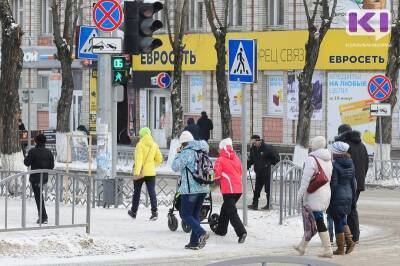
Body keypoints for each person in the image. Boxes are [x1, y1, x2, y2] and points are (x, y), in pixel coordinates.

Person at [294, 136, 333, 258]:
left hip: (314, 194)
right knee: (314, 220)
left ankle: (327, 249)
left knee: (316, 220)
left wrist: (299, 196)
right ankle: (302, 246)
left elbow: (305, 181)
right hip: (325, 192)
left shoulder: (312, 159)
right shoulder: (328, 159)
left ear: (315, 145)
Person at [172, 131, 210, 250]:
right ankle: (194, 243)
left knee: (185, 214)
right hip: (203, 188)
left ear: (183, 143)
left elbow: (175, 167)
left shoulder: (186, 153)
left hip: (190, 190)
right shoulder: (202, 150)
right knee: (194, 215)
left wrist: (178, 153)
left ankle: (201, 232)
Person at [335, 124, 369, 243]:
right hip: (358, 183)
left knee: (346, 210)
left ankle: (350, 237)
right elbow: (366, 165)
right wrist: (361, 179)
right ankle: (355, 236)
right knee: (352, 209)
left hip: (346, 183)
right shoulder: (362, 146)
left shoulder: (345, 146)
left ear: (342, 133)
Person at [213, 138, 247, 243]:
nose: (218, 151)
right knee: (225, 209)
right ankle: (221, 230)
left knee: (232, 212)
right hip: (238, 189)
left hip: (228, 190)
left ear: (222, 149)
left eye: (219, 149)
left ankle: (241, 232)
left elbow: (216, 175)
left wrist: (212, 179)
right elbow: (241, 171)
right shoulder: (236, 158)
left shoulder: (220, 160)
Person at [327, 141, 356, 255]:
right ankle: (349, 241)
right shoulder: (351, 163)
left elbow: (333, 184)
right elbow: (353, 183)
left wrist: (329, 197)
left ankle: (341, 248)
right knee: (342, 218)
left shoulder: (334, 165)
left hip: (337, 196)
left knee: (337, 220)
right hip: (348, 195)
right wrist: (353, 198)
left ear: (336, 153)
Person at [128, 127, 163, 221]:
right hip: (151, 172)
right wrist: (151, 165)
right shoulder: (154, 145)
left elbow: (138, 160)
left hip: (140, 172)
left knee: (137, 192)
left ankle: (133, 212)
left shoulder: (140, 144)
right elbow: (160, 160)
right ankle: (154, 212)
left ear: (142, 135)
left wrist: (136, 173)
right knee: (152, 192)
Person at [24, 134, 54, 224]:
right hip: (44, 177)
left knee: (38, 197)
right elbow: (51, 166)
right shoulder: (49, 152)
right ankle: (43, 216)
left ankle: (43, 217)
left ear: (36, 141)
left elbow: (27, 163)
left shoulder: (33, 151)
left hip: (35, 177)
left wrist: (27, 156)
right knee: (39, 196)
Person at [247, 135, 280, 210]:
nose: (253, 144)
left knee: (268, 189)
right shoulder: (253, 149)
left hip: (267, 172)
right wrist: (248, 164)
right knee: (257, 189)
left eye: (254, 142)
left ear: (259, 141)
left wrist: (270, 165)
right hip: (258, 172)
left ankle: (268, 205)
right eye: (252, 142)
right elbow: (252, 159)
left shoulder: (267, 148)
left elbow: (276, 158)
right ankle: (254, 204)